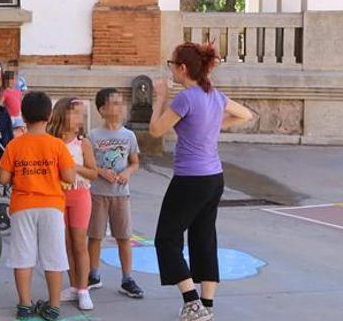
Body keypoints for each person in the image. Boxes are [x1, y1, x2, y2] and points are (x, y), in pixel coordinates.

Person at [148, 42, 253, 321]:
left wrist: (160, 98)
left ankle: (192, 302)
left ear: (182, 69)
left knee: (166, 238)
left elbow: (156, 130)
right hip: (213, 179)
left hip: (190, 180)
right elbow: (246, 114)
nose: (170, 69)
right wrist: (214, 124)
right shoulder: (214, 96)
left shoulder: (185, 98)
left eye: (172, 64)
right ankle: (207, 304)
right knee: (203, 237)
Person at [0, 91, 76, 321]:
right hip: (52, 206)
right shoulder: (57, 145)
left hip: (22, 205)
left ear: (22, 115)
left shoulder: (15, 145)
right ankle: (53, 306)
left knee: (23, 256)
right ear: (50, 116)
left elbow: (3, 178)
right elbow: (70, 177)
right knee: (54, 256)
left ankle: (24, 304)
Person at [87, 88, 144, 299]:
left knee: (124, 237)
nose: (121, 106)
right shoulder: (93, 136)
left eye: (122, 102)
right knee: (95, 236)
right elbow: (88, 165)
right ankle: (93, 274)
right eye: (115, 103)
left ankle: (127, 278)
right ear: (102, 109)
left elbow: (135, 162)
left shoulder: (129, 135)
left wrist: (128, 172)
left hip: (121, 194)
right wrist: (101, 172)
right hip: (98, 194)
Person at [46, 98, 98, 311]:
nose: (80, 118)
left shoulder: (83, 143)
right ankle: (74, 285)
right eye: (75, 113)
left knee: (79, 243)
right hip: (57, 196)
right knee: (64, 243)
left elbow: (93, 172)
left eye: (82, 115)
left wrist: (73, 167)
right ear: (62, 114)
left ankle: (84, 289)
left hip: (79, 195)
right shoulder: (52, 141)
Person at [0, 70, 24, 136]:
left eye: (12, 79)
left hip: (18, 115)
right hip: (10, 117)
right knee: (10, 133)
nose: (11, 82)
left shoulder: (18, 91)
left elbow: (21, 102)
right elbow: (0, 104)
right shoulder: (5, 92)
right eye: (9, 80)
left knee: (20, 132)